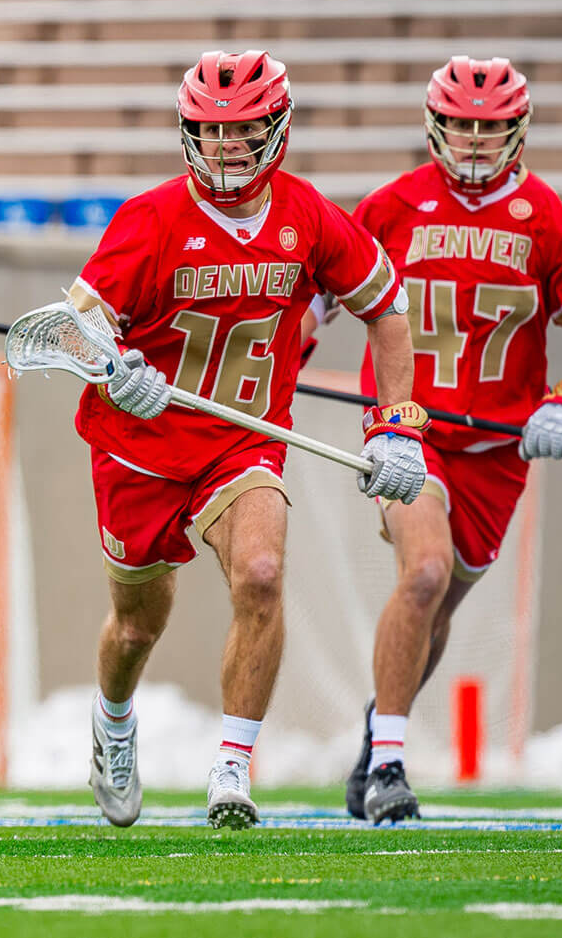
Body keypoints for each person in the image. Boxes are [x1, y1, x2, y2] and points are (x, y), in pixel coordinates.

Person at [68, 50, 426, 830]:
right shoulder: (153, 218)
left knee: (261, 572)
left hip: (241, 441)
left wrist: (397, 424)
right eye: (210, 132)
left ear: (277, 129)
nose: (226, 147)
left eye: (243, 131)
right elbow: (77, 322)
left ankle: (232, 766)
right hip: (140, 442)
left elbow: (388, 308)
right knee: (136, 624)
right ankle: (114, 722)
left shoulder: (306, 215)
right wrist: (114, 365)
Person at [335, 56, 562, 824]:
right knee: (426, 572)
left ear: (518, 129)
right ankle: (392, 768)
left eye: (491, 125)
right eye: (464, 123)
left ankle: (379, 730)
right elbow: (311, 305)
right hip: (410, 433)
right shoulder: (390, 207)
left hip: (499, 452)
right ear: (436, 126)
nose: (475, 139)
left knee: (435, 611)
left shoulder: (546, 219)